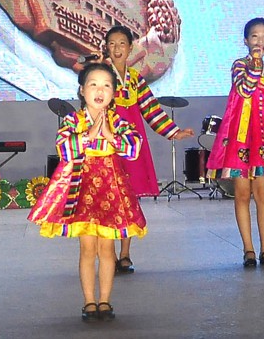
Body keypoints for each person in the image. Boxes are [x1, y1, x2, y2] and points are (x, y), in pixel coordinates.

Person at [28, 63, 144, 322]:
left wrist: (110, 136)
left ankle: (105, 301)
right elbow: (63, 148)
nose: (100, 90)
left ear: (114, 92)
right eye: (93, 84)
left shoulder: (118, 121)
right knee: (87, 249)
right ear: (82, 90)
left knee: (106, 249)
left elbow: (134, 148)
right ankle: (89, 301)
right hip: (83, 189)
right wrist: (90, 135)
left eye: (106, 85)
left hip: (110, 190)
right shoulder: (73, 120)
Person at [101, 25, 194, 274]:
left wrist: (174, 132)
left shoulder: (135, 79)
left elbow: (151, 110)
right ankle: (107, 253)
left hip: (131, 146)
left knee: (128, 198)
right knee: (108, 200)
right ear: (106, 47)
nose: (117, 48)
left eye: (122, 44)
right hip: (107, 146)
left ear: (131, 48)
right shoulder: (100, 77)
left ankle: (125, 254)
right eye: (112, 43)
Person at [206, 17, 264, 267]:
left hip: (263, 141)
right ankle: (248, 249)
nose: (259, 41)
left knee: (263, 194)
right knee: (242, 194)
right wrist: (255, 63)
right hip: (241, 141)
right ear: (245, 40)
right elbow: (244, 89)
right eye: (254, 36)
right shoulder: (239, 66)